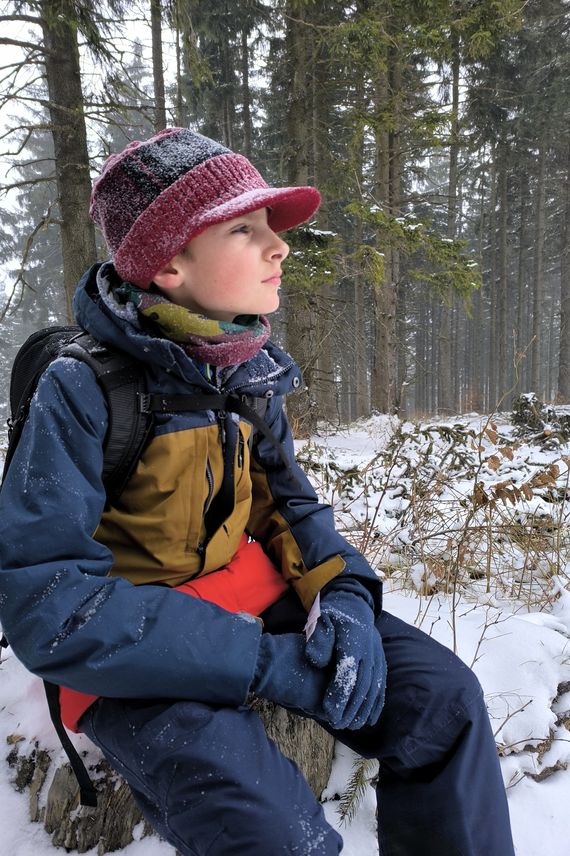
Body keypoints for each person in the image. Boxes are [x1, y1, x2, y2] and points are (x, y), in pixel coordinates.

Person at [0, 128, 515, 855]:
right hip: (130, 652)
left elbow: (289, 506)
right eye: (245, 228)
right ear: (168, 263)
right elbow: (47, 603)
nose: (279, 247)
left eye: (272, 228)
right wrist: (263, 664)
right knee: (276, 834)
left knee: (445, 706)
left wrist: (344, 596)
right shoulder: (84, 388)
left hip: (250, 598)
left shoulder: (245, 369)